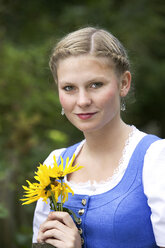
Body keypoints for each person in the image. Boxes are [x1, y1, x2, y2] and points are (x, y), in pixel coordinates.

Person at [33, 27, 165, 248]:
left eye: (96, 85)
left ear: (124, 83)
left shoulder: (156, 159)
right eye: (69, 88)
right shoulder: (55, 165)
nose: (83, 100)